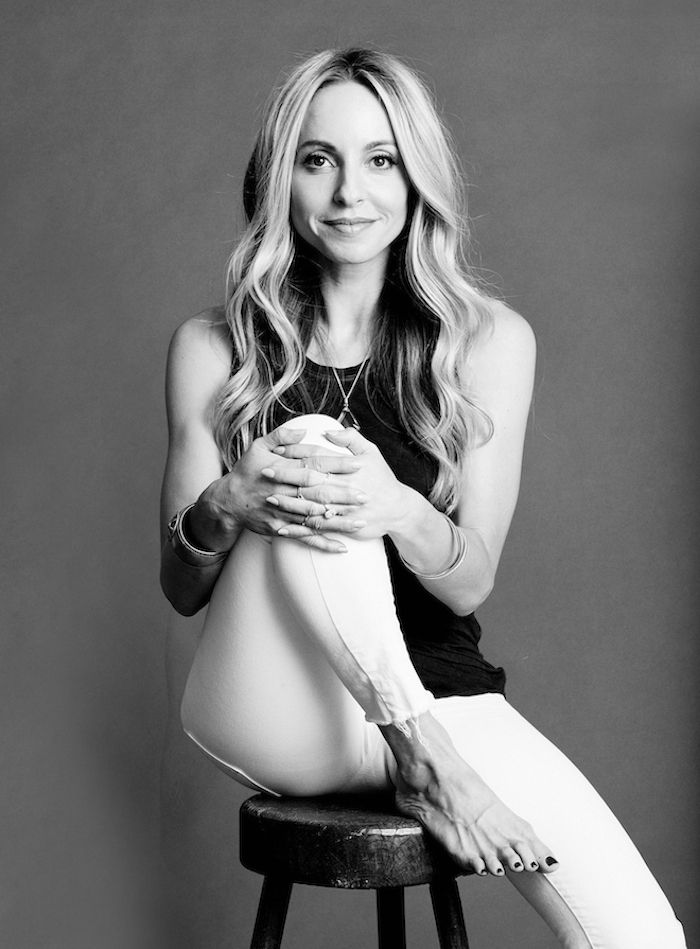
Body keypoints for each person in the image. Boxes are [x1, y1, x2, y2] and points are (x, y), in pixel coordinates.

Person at [160, 48, 685, 948]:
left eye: (381, 159)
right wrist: (232, 499)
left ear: (415, 178)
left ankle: (424, 750)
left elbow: (470, 582)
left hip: (442, 700)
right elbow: (180, 584)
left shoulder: (487, 343)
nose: (349, 193)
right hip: (284, 705)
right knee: (312, 447)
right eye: (317, 160)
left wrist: (397, 505)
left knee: (644, 936)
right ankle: (429, 763)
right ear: (282, 178)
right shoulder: (214, 347)